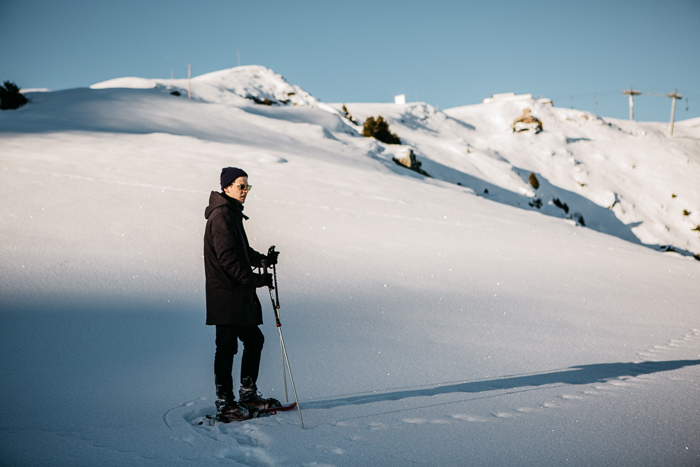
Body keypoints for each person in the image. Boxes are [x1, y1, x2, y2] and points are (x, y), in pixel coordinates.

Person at [203, 167, 282, 422]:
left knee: (253, 340)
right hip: (225, 295)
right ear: (227, 188)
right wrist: (256, 279)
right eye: (241, 186)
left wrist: (262, 260)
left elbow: (241, 250)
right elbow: (228, 260)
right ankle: (225, 405)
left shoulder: (231, 214)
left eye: (248, 186)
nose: (245, 191)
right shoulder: (221, 216)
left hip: (235, 294)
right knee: (227, 348)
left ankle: (247, 396)